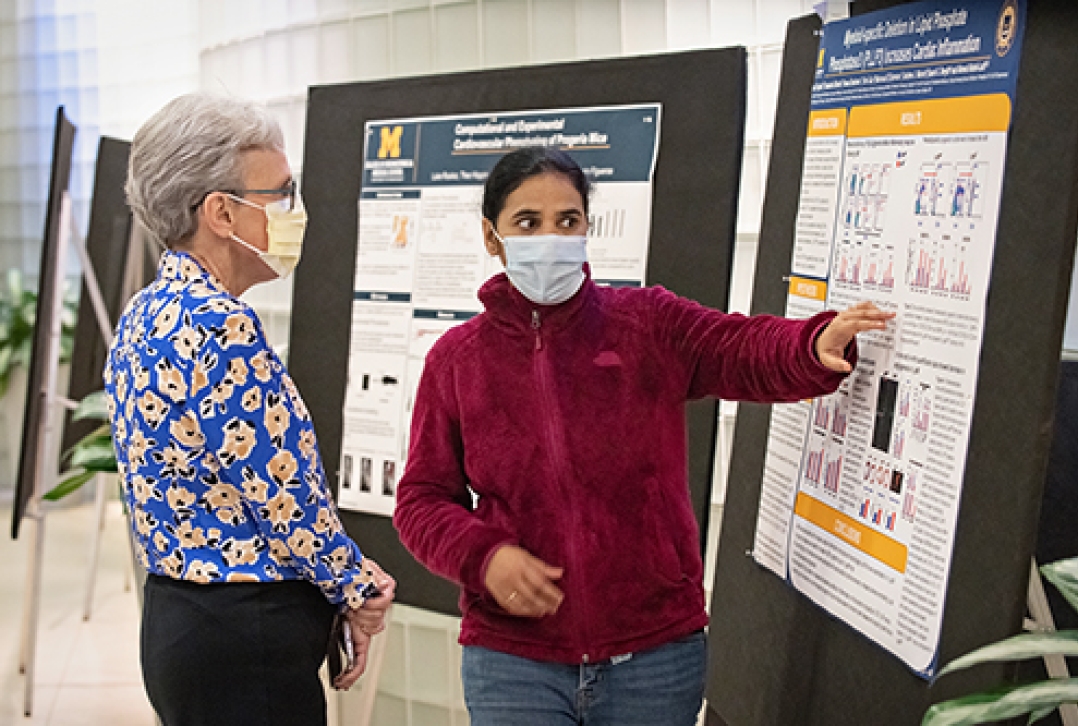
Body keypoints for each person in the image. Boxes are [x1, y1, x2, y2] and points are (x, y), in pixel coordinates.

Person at [393, 148, 893, 725]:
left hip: (655, 656)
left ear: (587, 228)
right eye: (528, 223)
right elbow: (422, 500)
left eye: (568, 220)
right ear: (492, 236)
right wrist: (484, 557)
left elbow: (738, 347)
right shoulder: (457, 361)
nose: (551, 236)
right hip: (515, 662)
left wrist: (810, 345)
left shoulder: (645, 324)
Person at [104, 93, 395, 726]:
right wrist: (358, 585)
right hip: (246, 635)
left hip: (180, 622)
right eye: (280, 195)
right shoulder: (219, 325)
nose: (294, 212)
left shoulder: (144, 312)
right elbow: (280, 491)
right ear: (220, 213)